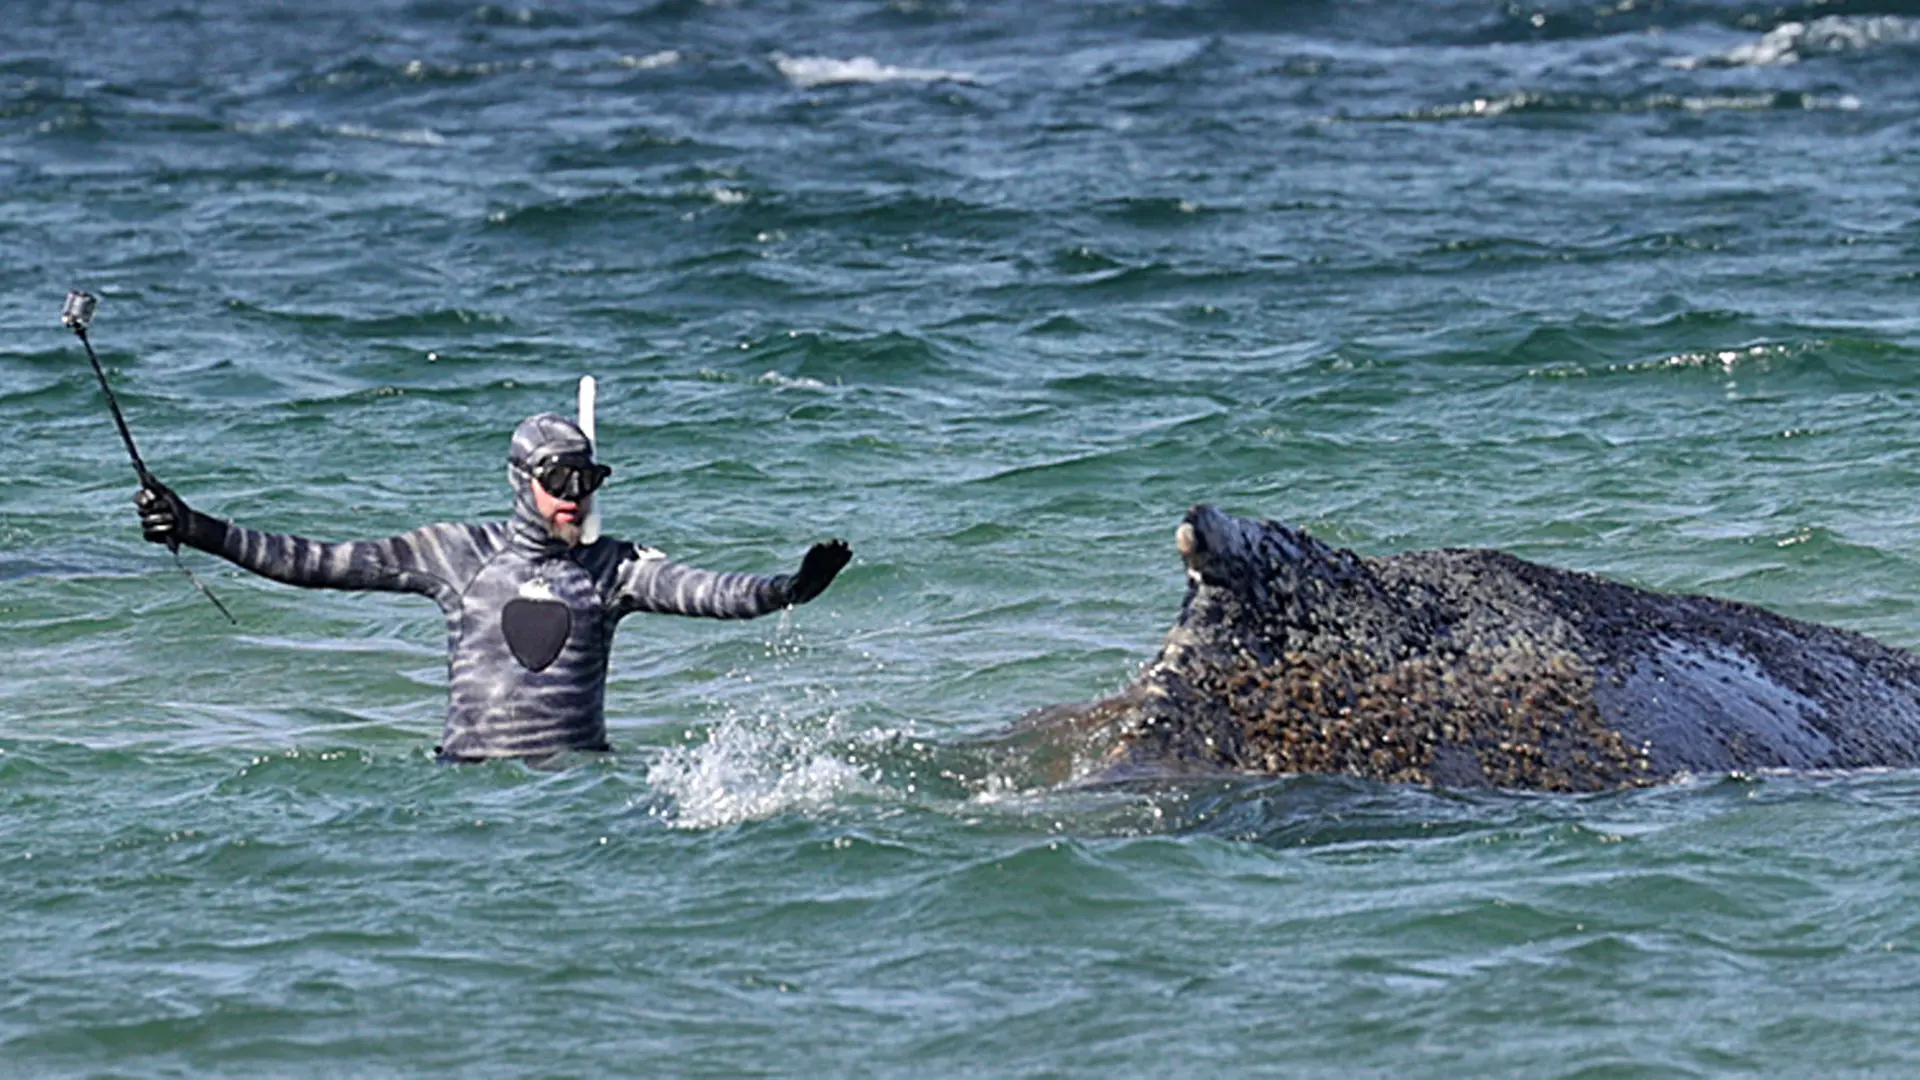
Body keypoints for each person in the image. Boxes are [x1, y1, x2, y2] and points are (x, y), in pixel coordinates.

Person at [133, 412, 851, 761]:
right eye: (557, 480)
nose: (573, 494)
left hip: (575, 790)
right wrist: (198, 528)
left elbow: (711, 591)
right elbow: (319, 561)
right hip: (465, 782)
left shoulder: (613, 569)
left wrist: (789, 588)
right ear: (522, 483)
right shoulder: (457, 555)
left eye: (587, 479)